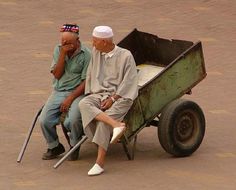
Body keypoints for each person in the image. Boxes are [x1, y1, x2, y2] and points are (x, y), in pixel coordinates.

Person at [79, 25, 138, 176]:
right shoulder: (96, 52)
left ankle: (99, 163)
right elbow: (91, 74)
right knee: (83, 103)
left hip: (121, 97)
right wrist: (94, 94)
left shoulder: (126, 56)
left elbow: (129, 82)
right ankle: (116, 125)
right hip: (100, 93)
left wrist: (113, 98)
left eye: (95, 41)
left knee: (102, 123)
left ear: (105, 42)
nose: (93, 44)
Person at [39, 24, 91, 161]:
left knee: (72, 120)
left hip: (78, 92)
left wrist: (70, 98)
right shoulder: (58, 50)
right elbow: (56, 74)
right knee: (44, 120)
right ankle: (54, 146)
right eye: (62, 41)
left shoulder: (87, 55)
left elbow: (86, 83)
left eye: (68, 42)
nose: (64, 44)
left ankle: (74, 145)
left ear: (77, 40)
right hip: (59, 90)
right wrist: (63, 54)